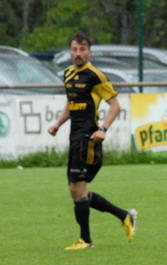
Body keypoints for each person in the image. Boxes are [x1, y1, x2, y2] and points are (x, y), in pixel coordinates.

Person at [48, 31, 137, 250]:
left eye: (82, 49)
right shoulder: (68, 74)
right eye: (74, 49)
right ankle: (124, 215)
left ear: (90, 52)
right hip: (74, 137)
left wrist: (103, 129)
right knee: (76, 190)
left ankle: (86, 240)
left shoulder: (96, 76)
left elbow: (115, 105)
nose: (78, 53)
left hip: (88, 139)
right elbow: (71, 104)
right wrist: (58, 123)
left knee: (77, 189)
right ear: (70, 52)